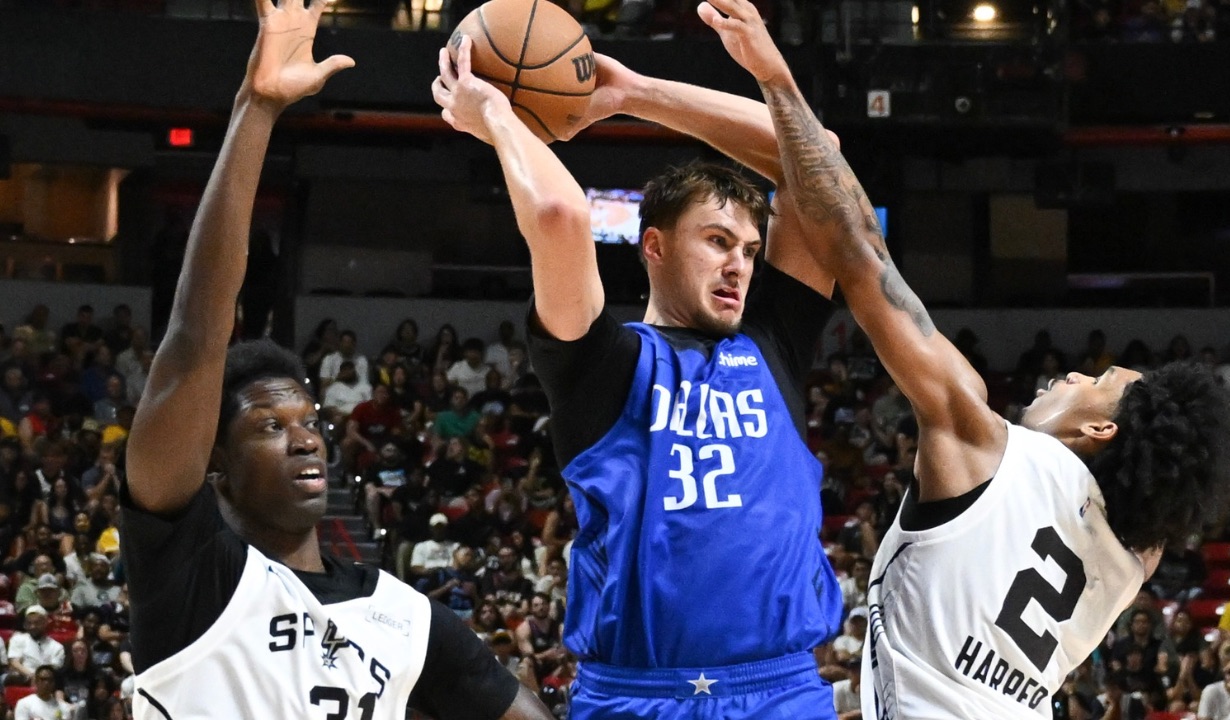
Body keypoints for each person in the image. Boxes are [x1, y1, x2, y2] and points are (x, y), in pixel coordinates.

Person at [694, 1, 1230, 718]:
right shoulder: (1132, 559)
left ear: (1102, 431)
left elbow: (856, 243)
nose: (1070, 373)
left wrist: (777, 80)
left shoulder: (978, 438)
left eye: (1096, 381)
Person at [120, 4, 550, 720]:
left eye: (308, 418)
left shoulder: (403, 618)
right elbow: (197, 336)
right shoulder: (190, 575)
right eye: (266, 425)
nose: (303, 436)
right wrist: (256, 110)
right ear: (214, 463)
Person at [434, 21, 843, 718]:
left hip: (782, 691)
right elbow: (560, 213)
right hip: (637, 697)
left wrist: (633, 92)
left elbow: (815, 153)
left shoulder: (773, 342)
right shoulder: (603, 363)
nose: (739, 264)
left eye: (748, 247)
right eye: (716, 241)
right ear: (653, 246)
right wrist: (497, 114)